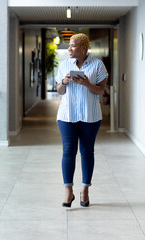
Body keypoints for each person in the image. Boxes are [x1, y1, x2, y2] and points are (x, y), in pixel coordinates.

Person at [56, 33, 108, 207]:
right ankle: (68, 191)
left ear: (84, 48)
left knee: (87, 152)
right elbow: (60, 91)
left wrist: (86, 83)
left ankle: (85, 190)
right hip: (67, 116)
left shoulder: (97, 65)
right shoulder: (64, 65)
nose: (69, 49)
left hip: (90, 116)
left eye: (72, 45)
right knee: (68, 152)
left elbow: (101, 91)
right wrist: (64, 82)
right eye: (69, 46)